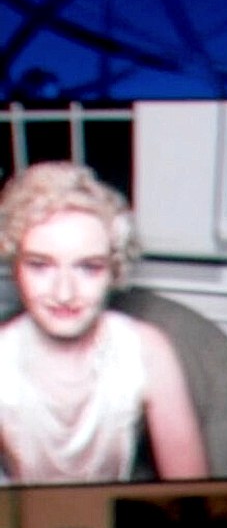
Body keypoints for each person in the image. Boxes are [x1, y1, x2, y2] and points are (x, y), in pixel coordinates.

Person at [0, 162, 207, 486]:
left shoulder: (147, 349)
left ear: (114, 271)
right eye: (40, 265)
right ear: (16, 267)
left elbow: (193, 491)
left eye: (88, 268)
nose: (64, 293)